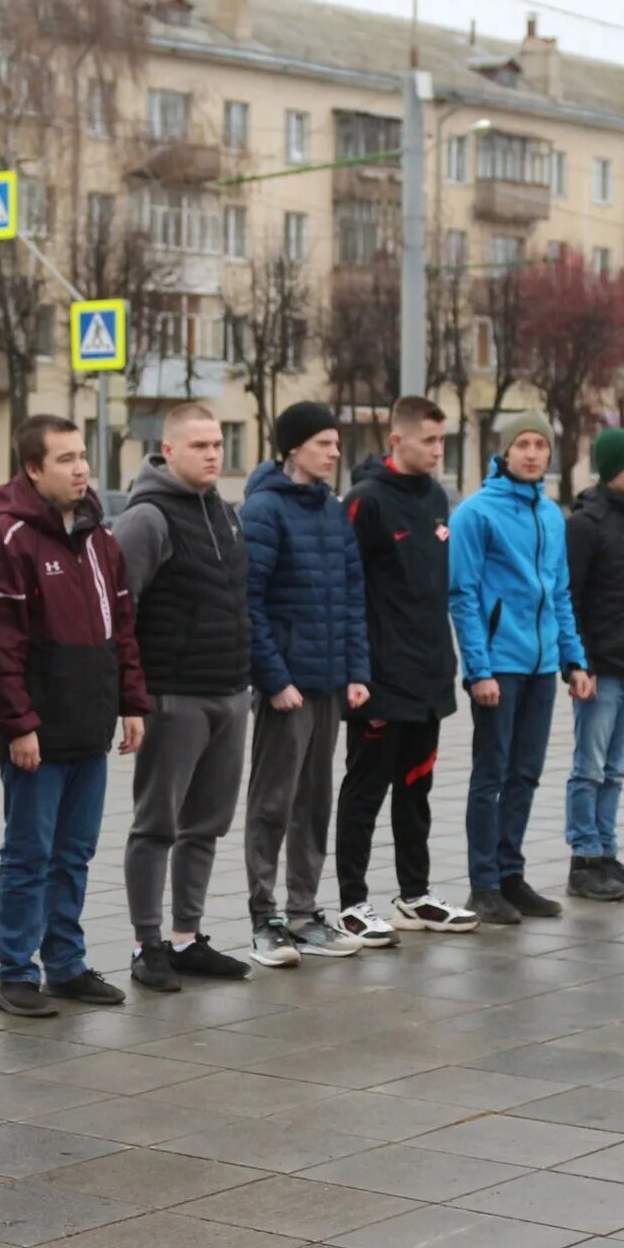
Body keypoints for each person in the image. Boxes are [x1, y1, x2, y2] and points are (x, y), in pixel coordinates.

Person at [0, 415, 150, 1016]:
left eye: (83, 456)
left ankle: (66, 964)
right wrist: (18, 723)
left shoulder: (101, 539)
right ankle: (15, 973)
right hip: (37, 734)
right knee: (30, 853)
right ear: (32, 469)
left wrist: (132, 702)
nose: (80, 469)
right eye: (65, 459)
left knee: (74, 852)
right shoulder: (7, 540)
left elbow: (122, 630)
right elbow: (0, 646)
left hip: (90, 725)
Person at [113, 406, 256, 992]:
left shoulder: (226, 514)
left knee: (206, 824)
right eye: (198, 445)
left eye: (218, 444)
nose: (213, 454)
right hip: (174, 696)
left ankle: (187, 937)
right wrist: (132, 696)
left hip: (229, 692)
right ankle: (148, 944)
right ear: (167, 451)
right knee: (157, 824)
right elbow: (121, 611)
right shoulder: (147, 519)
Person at [333, 397, 475, 943]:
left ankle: (414, 894)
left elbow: (435, 589)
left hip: (428, 674)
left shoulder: (438, 497)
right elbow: (347, 591)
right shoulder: (365, 502)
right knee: (366, 788)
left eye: (443, 440)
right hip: (379, 678)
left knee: (416, 788)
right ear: (398, 440)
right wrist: (357, 670)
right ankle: (352, 901)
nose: (439, 450)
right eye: (430, 441)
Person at [238, 401, 371, 966]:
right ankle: (265, 918)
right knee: (273, 801)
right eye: (324, 443)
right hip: (287, 688)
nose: (335, 453)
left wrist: (357, 672)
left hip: (328, 687)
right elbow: (249, 604)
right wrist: (274, 678)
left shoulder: (332, 511)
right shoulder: (263, 511)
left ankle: (304, 912)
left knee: (314, 804)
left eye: (337, 444)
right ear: (294, 447)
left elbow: (351, 598)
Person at [447, 413, 592, 926]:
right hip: (499, 667)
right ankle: (483, 884)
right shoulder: (475, 514)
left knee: (526, 774)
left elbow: (559, 593)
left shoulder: (551, 514)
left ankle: (511, 874)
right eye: (522, 445)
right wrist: (478, 670)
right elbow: (463, 597)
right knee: (492, 774)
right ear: (503, 452)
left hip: (541, 663)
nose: (532, 454)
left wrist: (573, 658)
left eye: (540, 445)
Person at [562, 426, 624, 900]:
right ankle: (584, 858)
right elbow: (572, 599)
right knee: (590, 767)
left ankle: (607, 850)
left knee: (617, 768)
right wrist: (579, 663)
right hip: (600, 667)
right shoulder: (586, 524)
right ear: (609, 470)